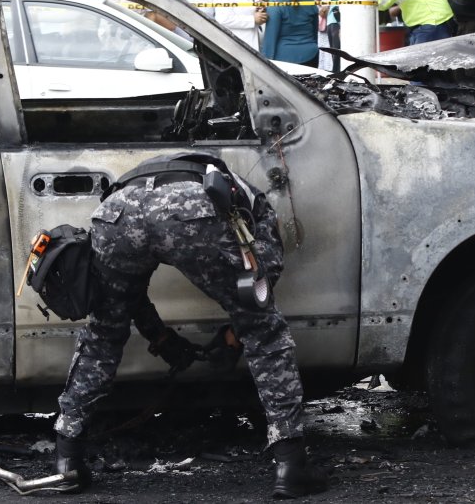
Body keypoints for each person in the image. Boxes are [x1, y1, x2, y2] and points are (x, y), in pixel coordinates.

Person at [52, 154, 329, 498]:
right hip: (189, 207)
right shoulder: (252, 202)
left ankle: (67, 460)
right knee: (264, 332)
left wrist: (160, 337)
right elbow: (262, 279)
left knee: (103, 335)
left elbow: (128, 296)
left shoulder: (151, 177)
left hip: (115, 212)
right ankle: (291, 464)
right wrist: (237, 333)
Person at [261, 0, 319, 67]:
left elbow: (270, 37)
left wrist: (265, 63)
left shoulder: (275, 2)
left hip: (284, 58)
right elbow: (315, 31)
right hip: (311, 55)